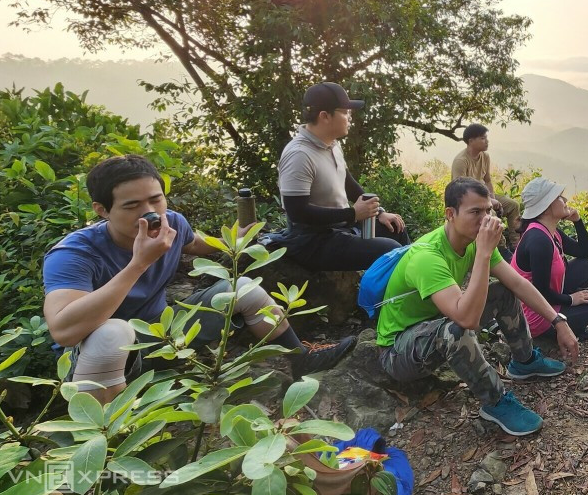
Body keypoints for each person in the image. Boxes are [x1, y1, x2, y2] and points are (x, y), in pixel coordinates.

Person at [42, 155, 355, 404]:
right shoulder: (74, 253)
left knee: (242, 289)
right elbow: (64, 330)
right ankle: (103, 436)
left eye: (156, 199)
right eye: (132, 205)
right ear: (102, 210)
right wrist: (139, 264)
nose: (151, 213)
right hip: (96, 359)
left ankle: (300, 359)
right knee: (112, 333)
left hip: (163, 336)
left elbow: (196, 243)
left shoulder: (171, 223)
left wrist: (234, 241)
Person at [374, 178, 580, 436]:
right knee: (455, 329)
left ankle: (525, 361)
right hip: (398, 351)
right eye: (475, 212)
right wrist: (483, 253)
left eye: (487, 211)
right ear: (450, 214)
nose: (485, 219)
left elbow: (517, 283)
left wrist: (558, 320)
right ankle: (494, 402)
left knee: (503, 290)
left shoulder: (472, 240)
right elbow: (467, 320)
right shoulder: (427, 257)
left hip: (435, 321)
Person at [276, 82, 411, 271]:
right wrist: (353, 214)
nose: (350, 118)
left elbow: (347, 181)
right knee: (391, 251)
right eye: (345, 112)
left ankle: (410, 290)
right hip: (312, 240)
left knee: (395, 228)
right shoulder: (299, 154)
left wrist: (378, 212)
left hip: (340, 227)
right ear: (325, 116)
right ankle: (380, 299)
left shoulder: (331, 144)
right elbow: (297, 212)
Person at [511, 177, 588, 341]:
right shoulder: (538, 241)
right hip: (537, 318)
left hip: (548, 301)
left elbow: (585, 252)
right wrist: (571, 299)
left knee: (585, 266)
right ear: (547, 206)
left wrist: (578, 221)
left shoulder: (550, 231)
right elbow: (540, 293)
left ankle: (576, 324)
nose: (565, 200)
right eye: (559, 197)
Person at [450, 124, 520, 246]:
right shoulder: (461, 161)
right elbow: (459, 191)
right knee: (491, 216)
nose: (486, 141)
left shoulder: (485, 156)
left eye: (486, 137)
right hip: (469, 201)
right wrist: (488, 202)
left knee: (513, 205)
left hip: (484, 196)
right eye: (482, 138)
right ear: (471, 141)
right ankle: (500, 248)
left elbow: (487, 180)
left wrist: (491, 198)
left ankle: (516, 244)